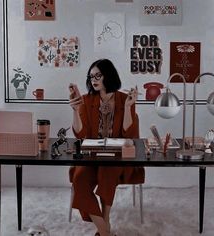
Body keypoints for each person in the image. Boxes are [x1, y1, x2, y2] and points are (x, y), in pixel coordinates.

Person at [68, 59, 144, 236]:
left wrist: (127, 108)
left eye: (98, 75)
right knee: (79, 180)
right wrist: (75, 111)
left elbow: (128, 135)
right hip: (91, 156)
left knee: (107, 173)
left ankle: (105, 221)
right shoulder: (86, 100)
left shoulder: (125, 99)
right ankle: (105, 230)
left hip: (116, 156)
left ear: (108, 76)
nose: (93, 80)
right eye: (91, 76)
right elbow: (80, 135)